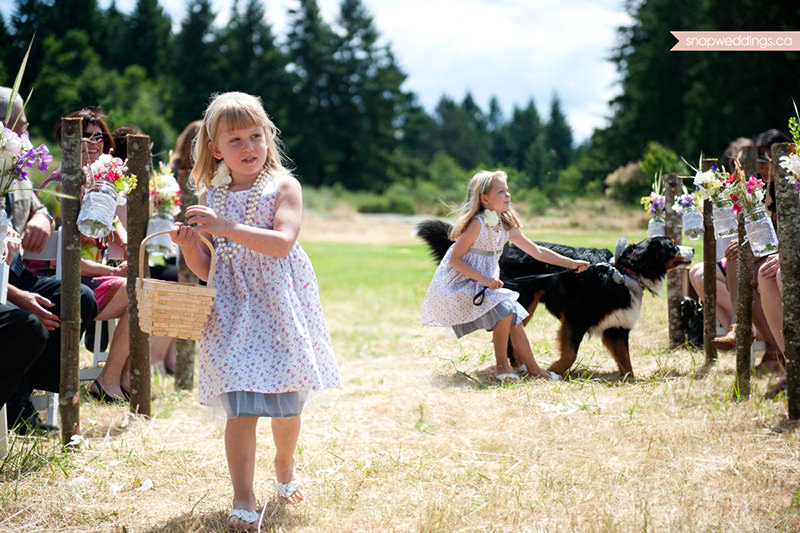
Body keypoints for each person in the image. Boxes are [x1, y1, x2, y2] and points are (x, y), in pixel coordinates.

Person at [169, 92, 340, 530]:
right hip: (231, 310)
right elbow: (211, 266)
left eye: (255, 136)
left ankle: (285, 464)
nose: (248, 148)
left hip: (278, 305)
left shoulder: (284, 186)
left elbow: (282, 243)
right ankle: (242, 495)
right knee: (240, 407)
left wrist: (225, 227)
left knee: (285, 404)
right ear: (215, 149)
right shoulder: (212, 194)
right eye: (235, 140)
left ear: (268, 137)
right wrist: (191, 248)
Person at [421, 169, 590, 381]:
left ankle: (534, 370)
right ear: (484, 198)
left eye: (507, 190)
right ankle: (502, 367)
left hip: (483, 284)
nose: (508, 195)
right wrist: (484, 279)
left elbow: (536, 251)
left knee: (513, 315)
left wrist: (571, 263)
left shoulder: (505, 225)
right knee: (506, 310)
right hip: (460, 284)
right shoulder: (477, 224)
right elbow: (455, 260)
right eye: (501, 191)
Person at [2, 88, 98, 433]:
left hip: (17, 271)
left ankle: (23, 385)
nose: (25, 134)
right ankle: (14, 402)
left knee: (78, 298)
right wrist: (18, 297)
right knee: (25, 321)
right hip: (4, 286)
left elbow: (38, 205)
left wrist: (42, 218)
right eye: (18, 126)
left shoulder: (16, 169)